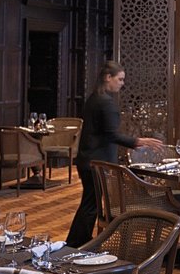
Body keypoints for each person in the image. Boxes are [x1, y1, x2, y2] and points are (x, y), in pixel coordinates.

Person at [66, 60, 164, 245]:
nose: (122, 83)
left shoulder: (94, 98)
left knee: (90, 204)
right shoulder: (106, 103)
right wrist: (138, 141)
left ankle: (76, 242)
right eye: (119, 79)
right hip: (97, 162)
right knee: (91, 205)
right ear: (107, 77)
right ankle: (77, 244)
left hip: (87, 160)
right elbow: (111, 134)